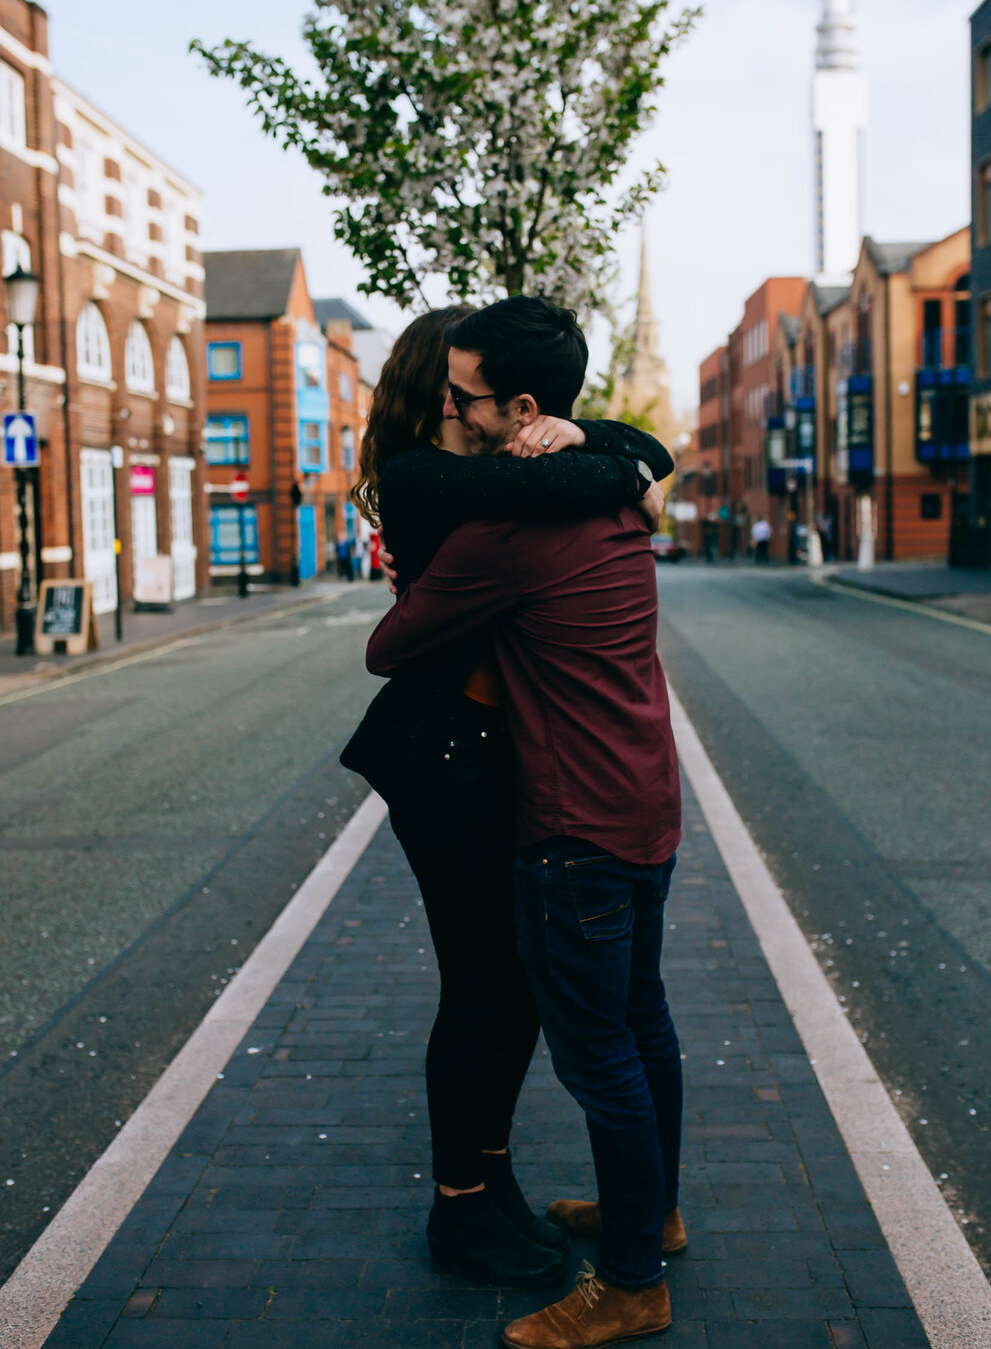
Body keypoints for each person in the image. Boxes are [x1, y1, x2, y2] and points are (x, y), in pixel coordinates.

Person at [366, 297, 684, 1349]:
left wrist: (591, 439)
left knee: (592, 1035)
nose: (456, 410)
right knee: (558, 1003)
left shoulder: (521, 522)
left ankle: (630, 1257)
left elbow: (392, 640)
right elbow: (633, 467)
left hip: (564, 804)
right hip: (577, 789)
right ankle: (487, 1202)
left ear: (518, 406)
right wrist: (601, 446)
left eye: (471, 397)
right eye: (448, 394)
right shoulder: (551, 500)